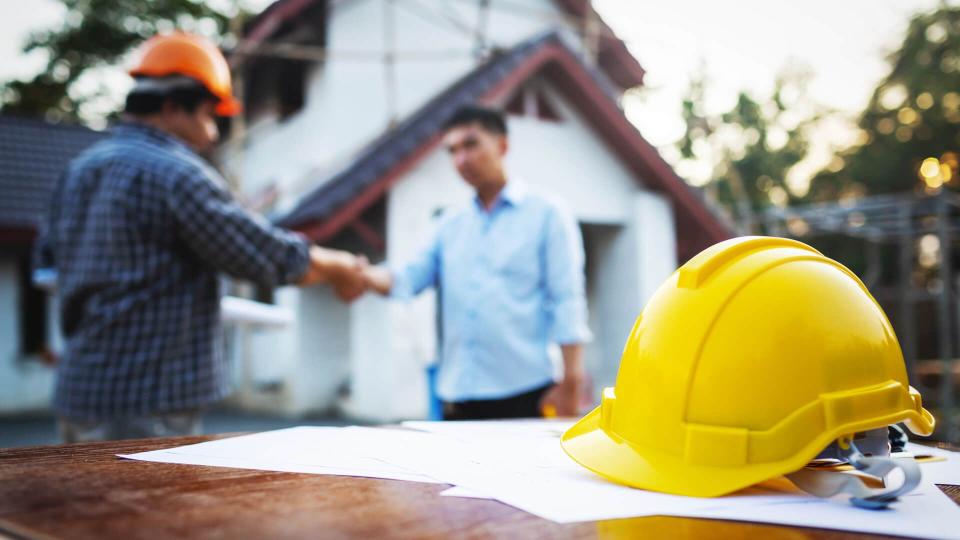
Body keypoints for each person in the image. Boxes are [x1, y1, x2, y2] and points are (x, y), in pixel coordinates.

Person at [34, 32, 367, 442]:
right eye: (208, 116)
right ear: (172, 107)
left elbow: (46, 271)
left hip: (78, 394)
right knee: (148, 508)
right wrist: (343, 268)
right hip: (145, 406)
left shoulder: (77, 172)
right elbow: (264, 255)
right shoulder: (175, 174)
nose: (212, 134)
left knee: (85, 508)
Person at [363, 106, 590, 420]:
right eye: (452, 151)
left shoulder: (548, 213)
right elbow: (408, 279)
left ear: (502, 145)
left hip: (527, 392)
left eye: (470, 144)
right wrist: (354, 272)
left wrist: (572, 381)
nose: (461, 160)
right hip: (458, 395)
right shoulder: (449, 224)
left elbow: (567, 300)